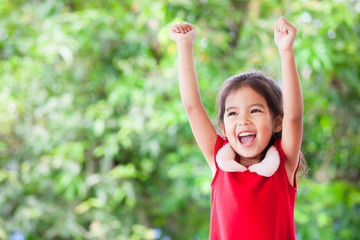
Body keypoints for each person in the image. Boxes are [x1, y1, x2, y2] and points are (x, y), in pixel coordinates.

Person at [169, 16, 305, 240]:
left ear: (276, 122)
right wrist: (184, 44)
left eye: (255, 111)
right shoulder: (219, 162)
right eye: (233, 113)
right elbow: (192, 106)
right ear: (223, 126)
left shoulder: (284, 163)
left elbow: (294, 117)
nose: (243, 120)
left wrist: (286, 51)